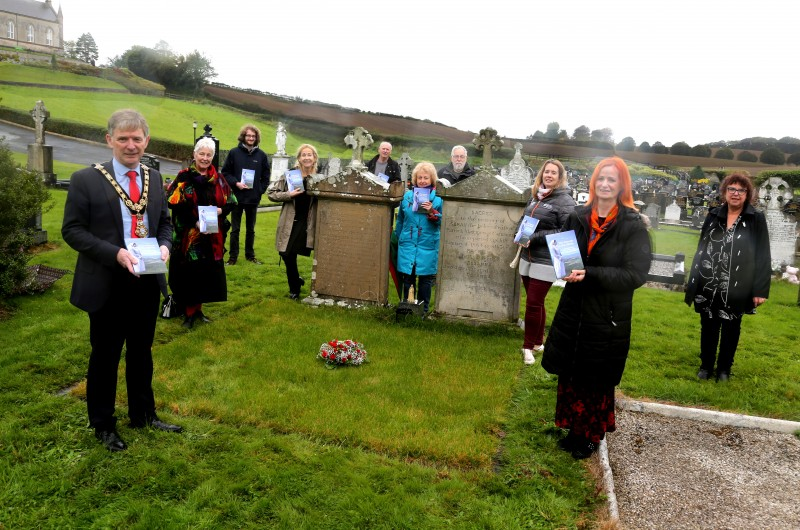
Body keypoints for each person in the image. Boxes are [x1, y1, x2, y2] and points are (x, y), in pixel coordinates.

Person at [62, 109, 182, 452]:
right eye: (123, 138)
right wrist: (113, 253)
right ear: (109, 140)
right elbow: (72, 230)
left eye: (137, 138)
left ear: (147, 141)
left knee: (141, 352)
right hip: (106, 280)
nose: (131, 145)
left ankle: (144, 414)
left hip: (146, 279)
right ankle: (103, 424)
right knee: (105, 354)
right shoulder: (86, 179)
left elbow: (165, 223)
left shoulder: (155, 179)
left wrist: (165, 245)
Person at [541, 157, 652, 459]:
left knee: (595, 374)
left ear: (621, 186)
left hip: (607, 312)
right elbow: (564, 253)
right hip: (575, 306)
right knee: (572, 369)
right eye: (600, 179)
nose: (604, 184)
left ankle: (589, 434)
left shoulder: (632, 225)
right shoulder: (577, 216)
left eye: (611, 180)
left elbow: (636, 274)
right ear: (593, 183)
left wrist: (591, 274)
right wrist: (563, 266)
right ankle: (571, 427)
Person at [685, 173, 770, 382]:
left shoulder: (755, 218)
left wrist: (760, 289)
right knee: (709, 326)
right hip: (709, 280)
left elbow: (762, 254)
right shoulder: (713, 214)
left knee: (731, 327)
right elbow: (702, 247)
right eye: (731, 189)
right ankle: (706, 366)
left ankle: (724, 369)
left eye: (741, 190)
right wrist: (694, 278)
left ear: (747, 194)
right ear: (724, 192)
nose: (736, 193)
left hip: (738, 284)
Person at [167, 137, 236, 329]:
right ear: (194, 154)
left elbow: (231, 201)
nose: (205, 158)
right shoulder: (184, 177)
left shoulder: (218, 178)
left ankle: (198, 311)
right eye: (202, 154)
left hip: (212, 236)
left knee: (205, 273)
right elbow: (173, 202)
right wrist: (194, 220)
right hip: (189, 236)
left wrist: (222, 210)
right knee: (190, 274)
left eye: (209, 155)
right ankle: (188, 313)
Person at [515, 159, 576, 365]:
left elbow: (565, 230)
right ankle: (538, 342)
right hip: (527, 257)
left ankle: (527, 347)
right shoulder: (536, 197)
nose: (549, 175)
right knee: (537, 303)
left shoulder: (565, 201)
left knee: (532, 304)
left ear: (560, 178)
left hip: (547, 258)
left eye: (553, 173)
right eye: (546, 172)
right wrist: (519, 233)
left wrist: (537, 237)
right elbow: (525, 220)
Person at [268, 143, 318, 300]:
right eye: (303, 155)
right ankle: (296, 283)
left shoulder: (319, 179)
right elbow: (271, 193)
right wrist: (288, 194)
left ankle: (294, 289)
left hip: (308, 222)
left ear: (314, 158)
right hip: (290, 220)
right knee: (285, 253)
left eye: (309, 154)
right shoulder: (290, 175)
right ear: (299, 158)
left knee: (289, 252)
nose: (307, 157)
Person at [394, 162, 443, 312]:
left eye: (426, 178)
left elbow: (444, 221)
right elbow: (401, 219)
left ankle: (423, 311)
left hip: (427, 244)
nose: (422, 180)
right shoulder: (407, 197)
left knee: (425, 280)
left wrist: (432, 212)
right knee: (408, 277)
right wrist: (399, 236)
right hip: (408, 243)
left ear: (432, 179)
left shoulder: (438, 199)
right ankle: (407, 309)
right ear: (415, 179)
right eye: (419, 177)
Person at [221, 124, 271, 265]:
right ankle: (232, 258)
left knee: (251, 229)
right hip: (237, 197)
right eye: (248, 135)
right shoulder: (234, 153)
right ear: (244, 136)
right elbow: (225, 173)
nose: (250, 138)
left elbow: (266, 176)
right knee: (235, 229)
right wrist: (236, 183)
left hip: (253, 199)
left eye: (253, 136)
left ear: (256, 138)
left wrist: (259, 190)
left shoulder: (261, 156)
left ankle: (250, 255)